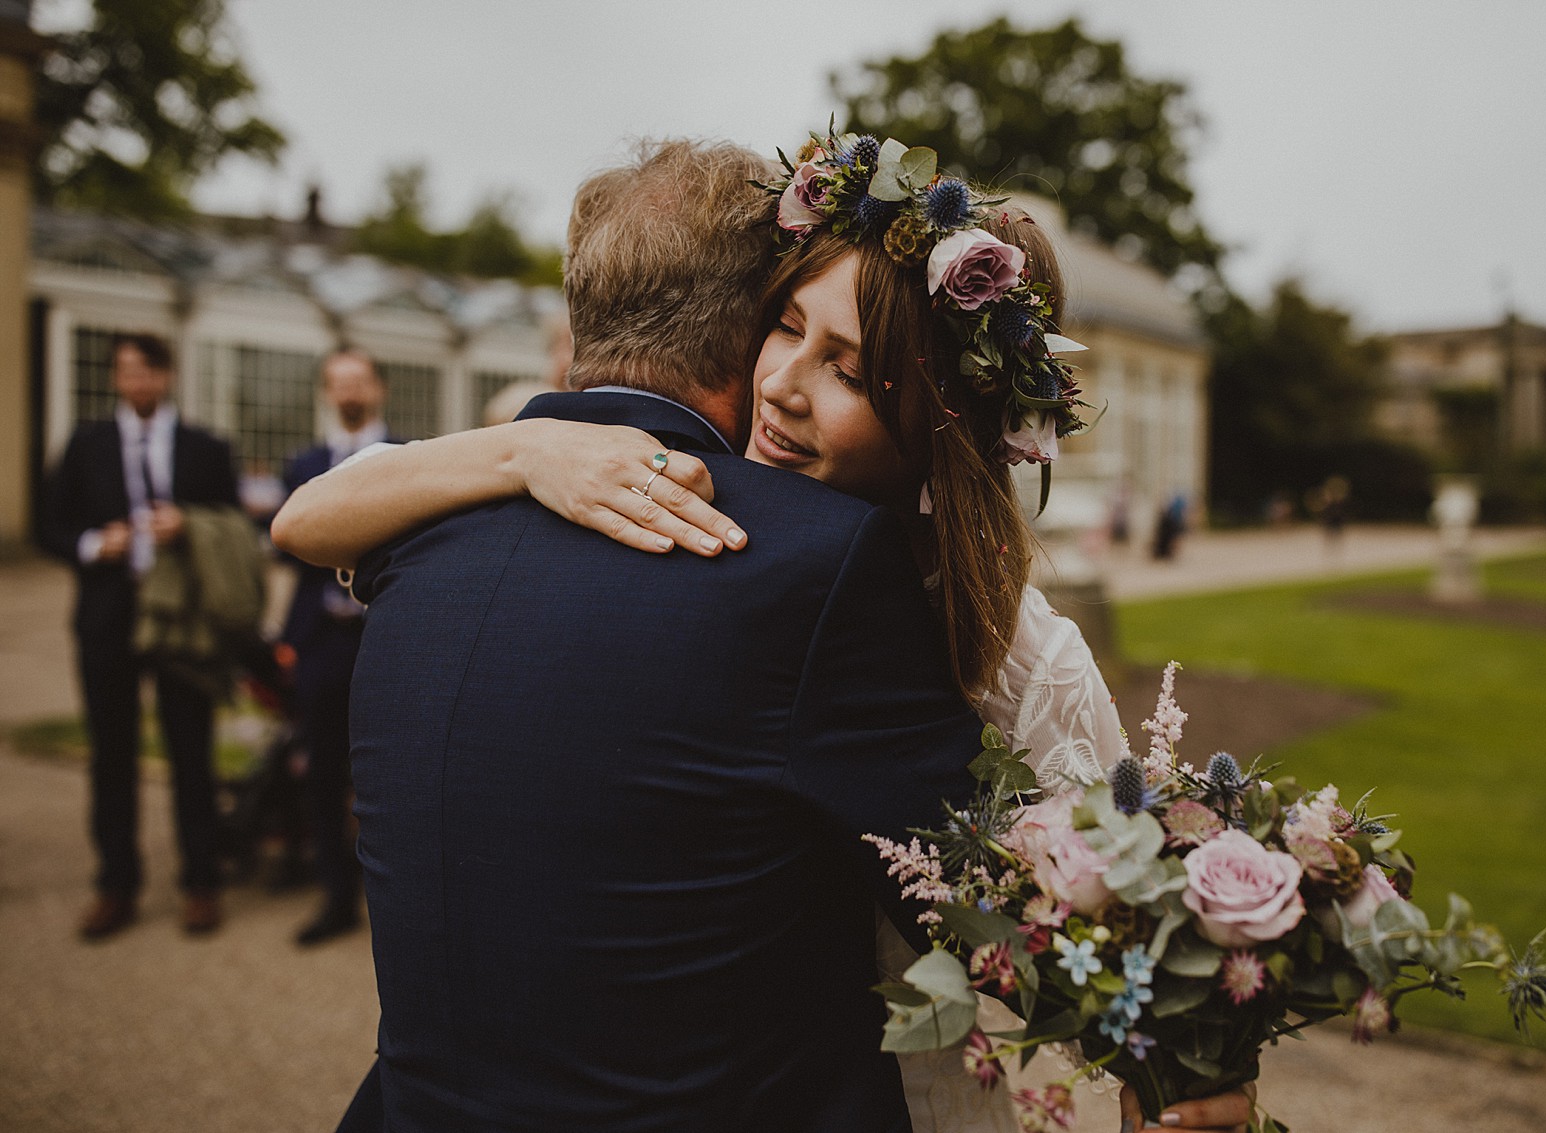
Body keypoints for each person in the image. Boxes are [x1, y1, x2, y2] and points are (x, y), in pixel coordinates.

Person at [275, 136, 1253, 1133]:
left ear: (936, 422)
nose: (783, 382)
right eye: (782, 326)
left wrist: (1168, 1051)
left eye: (846, 367)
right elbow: (308, 514)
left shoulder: (993, 641)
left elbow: (1061, 911)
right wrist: (528, 443)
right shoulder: (683, 522)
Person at [41, 332, 241, 938]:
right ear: (115, 379)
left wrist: (190, 526)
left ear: (167, 375)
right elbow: (50, 523)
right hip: (108, 616)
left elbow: (235, 524)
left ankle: (201, 882)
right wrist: (95, 544)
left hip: (182, 621)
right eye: (128, 372)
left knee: (190, 750)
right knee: (111, 754)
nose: (139, 383)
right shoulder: (86, 444)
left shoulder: (206, 447)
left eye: (149, 371)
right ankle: (116, 884)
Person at [278, 349, 403, 946]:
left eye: (359, 381)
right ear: (328, 392)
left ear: (376, 387)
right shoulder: (302, 465)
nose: (350, 392)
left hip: (384, 640)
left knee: (392, 775)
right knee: (322, 771)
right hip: (321, 644)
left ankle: (398, 901)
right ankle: (334, 896)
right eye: (339, 383)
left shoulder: (412, 459)